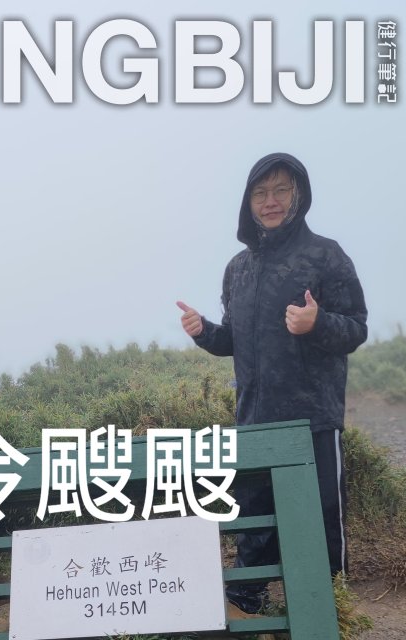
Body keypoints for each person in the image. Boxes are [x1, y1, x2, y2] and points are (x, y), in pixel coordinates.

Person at [177, 152, 367, 614]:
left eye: (281, 190)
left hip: (312, 418)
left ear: (298, 195)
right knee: (254, 519)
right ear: (249, 203)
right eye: (260, 193)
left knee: (321, 516)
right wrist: (204, 332)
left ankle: (331, 608)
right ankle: (248, 603)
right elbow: (234, 340)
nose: (271, 201)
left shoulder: (326, 255)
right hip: (255, 420)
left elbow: (355, 328)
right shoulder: (238, 268)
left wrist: (316, 323)